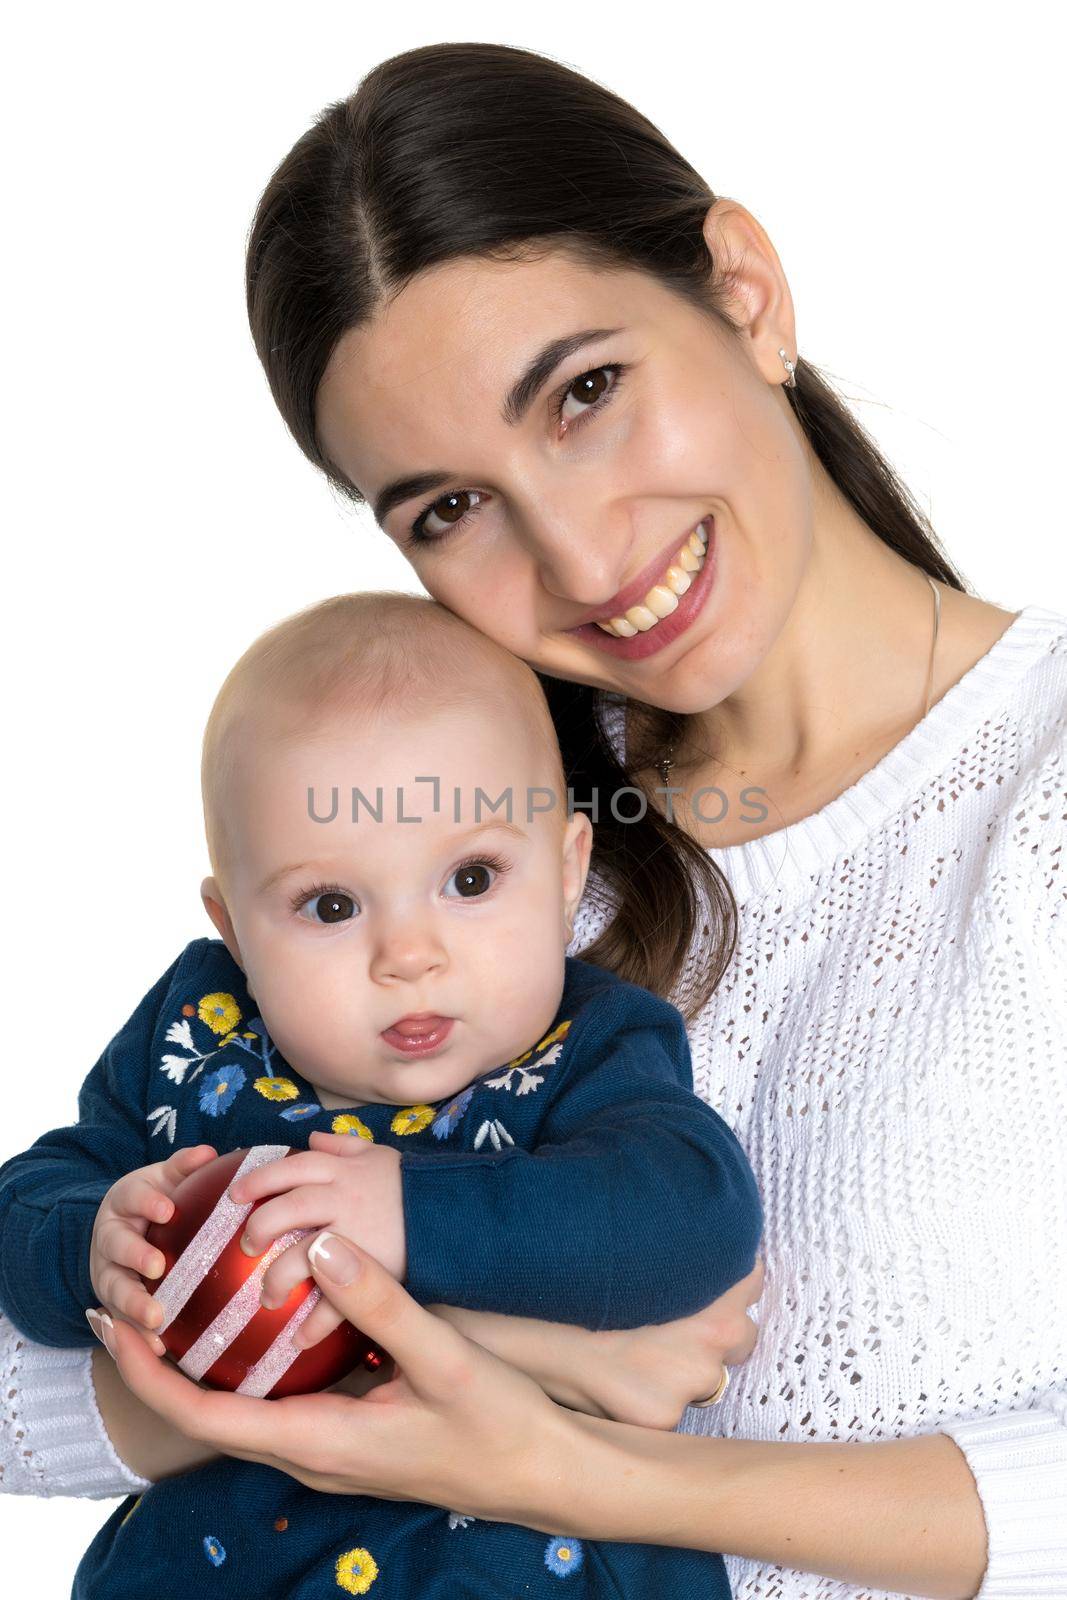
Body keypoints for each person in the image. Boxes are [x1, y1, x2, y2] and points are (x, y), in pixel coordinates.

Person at [3, 37, 1065, 1599]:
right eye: (446, 507)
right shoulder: (438, 864)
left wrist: (576, 1463)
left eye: (584, 393)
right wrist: (489, 1347)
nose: (574, 557)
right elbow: (25, 1400)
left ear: (743, 292)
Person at [0, 591, 763, 1596]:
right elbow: (30, 1196)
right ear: (233, 929)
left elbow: (695, 1213)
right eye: (330, 904)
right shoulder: (197, 1034)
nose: (408, 955)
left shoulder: (587, 1048)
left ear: (568, 869)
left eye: (472, 879)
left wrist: (410, 1214)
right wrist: (89, 1238)